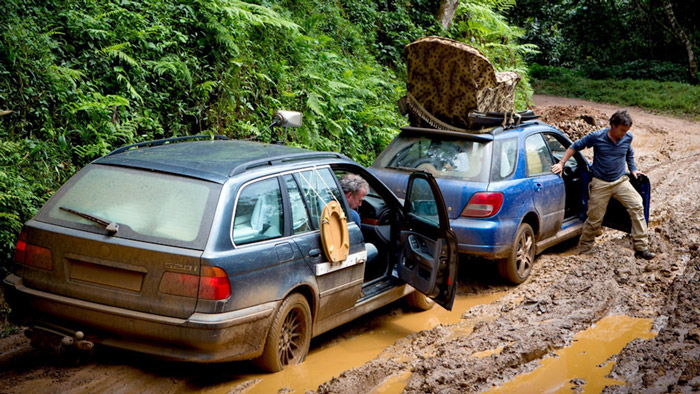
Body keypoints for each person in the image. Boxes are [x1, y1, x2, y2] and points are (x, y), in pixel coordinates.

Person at [551, 110, 655, 260]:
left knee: (637, 206)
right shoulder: (597, 137)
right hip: (600, 183)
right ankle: (584, 248)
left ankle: (641, 247)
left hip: (620, 181)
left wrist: (632, 169)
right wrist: (561, 163)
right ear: (613, 125)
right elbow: (575, 146)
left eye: (627, 131)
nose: (625, 134)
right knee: (595, 218)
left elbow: (629, 153)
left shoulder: (627, 138)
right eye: (622, 130)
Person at [339, 173, 377, 261]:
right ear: (349, 195)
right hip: (342, 259)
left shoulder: (320, 203)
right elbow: (357, 246)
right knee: (372, 249)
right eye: (359, 200)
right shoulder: (351, 215)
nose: (360, 204)